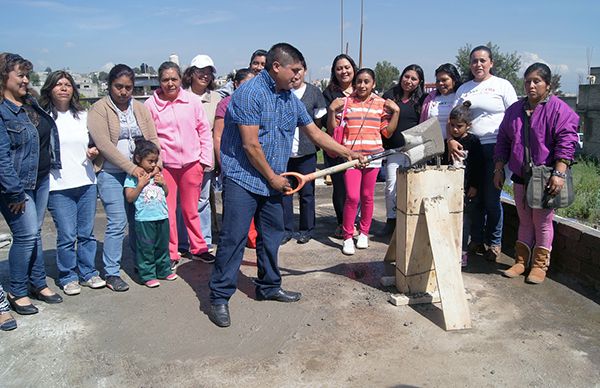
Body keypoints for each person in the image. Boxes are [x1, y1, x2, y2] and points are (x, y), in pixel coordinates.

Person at [208, 43, 366, 328]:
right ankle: (219, 297)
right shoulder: (249, 93)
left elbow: (314, 133)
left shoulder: (289, 98)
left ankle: (268, 286)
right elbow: (251, 145)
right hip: (244, 178)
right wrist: (272, 178)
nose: (298, 75)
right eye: (294, 69)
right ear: (276, 66)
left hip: (273, 179)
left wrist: (348, 153)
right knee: (234, 238)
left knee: (272, 234)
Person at [494, 63, 578, 283]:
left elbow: (567, 142)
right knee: (524, 219)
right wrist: (499, 167)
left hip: (546, 175)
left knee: (542, 221)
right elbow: (503, 139)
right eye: (527, 81)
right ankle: (521, 261)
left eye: (536, 81)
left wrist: (559, 173)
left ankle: (540, 265)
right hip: (521, 174)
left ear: (547, 85)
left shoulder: (558, 109)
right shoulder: (515, 110)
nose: (531, 85)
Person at [88, 64, 161, 292]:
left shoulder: (139, 108)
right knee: (118, 222)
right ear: (109, 85)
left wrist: (156, 165)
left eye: (128, 87)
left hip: (139, 172)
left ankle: (143, 265)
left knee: (139, 221)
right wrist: (131, 168)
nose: (124, 92)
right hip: (112, 173)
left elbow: (152, 137)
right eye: (119, 86)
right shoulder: (98, 109)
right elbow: (104, 145)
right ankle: (111, 272)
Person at [0, 53, 63, 315]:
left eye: (27, 75)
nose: (26, 80)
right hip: (17, 186)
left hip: (40, 178)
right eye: (20, 75)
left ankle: (37, 282)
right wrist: (14, 192)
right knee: (25, 236)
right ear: (4, 77)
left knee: (35, 234)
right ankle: (17, 289)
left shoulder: (30, 103)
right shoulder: (3, 111)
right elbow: (2, 157)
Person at [39, 70, 105, 295]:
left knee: (86, 233)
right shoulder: (43, 117)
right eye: (58, 84)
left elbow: (91, 143)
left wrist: (93, 151)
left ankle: (88, 272)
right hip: (58, 185)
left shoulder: (83, 116)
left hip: (86, 181)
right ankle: (68, 276)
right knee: (67, 234)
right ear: (50, 89)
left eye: (67, 84)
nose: (64, 88)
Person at [144, 61, 215, 269]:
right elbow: (150, 137)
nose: (170, 83)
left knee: (192, 209)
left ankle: (199, 248)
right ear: (159, 81)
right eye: (165, 80)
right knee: (168, 211)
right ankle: (171, 252)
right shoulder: (151, 104)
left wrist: (204, 160)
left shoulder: (192, 101)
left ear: (180, 79)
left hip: (192, 164)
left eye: (174, 79)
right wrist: (156, 165)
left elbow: (203, 131)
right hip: (166, 166)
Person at [451, 45, 518, 262]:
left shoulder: (502, 85)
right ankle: (476, 240)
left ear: (491, 63)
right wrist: (451, 139)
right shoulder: (464, 89)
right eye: (474, 61)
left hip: (495, 148)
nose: (478, 65)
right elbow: (453, 118)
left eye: (482, 60)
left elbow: (515, 117)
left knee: (491, 198)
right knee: (474, 196)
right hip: (469, 149)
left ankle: (494, 242)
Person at [328, 68, 400, 255]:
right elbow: (333, 128)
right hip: (351, 157)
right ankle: (347, 236)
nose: (362, 85)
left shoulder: (381, 104)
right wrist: (331, 111)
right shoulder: (344, 102)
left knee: (367, 197)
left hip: (373, 156)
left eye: (366, 81)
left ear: (373, 84)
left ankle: (364, 233)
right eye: (359, 81)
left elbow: (387, 132)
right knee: (352, 197)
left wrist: (396, 112)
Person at [281, 60, 327, 245]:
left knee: (307, 193)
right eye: (293, 70)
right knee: (285, 192)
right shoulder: (283, 91)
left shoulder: (314, 92)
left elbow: (318, 123)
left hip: (306, 152)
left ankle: (307, 229)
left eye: (299, 70)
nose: (296, 74)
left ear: (305, 71)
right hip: (284, 152)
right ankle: (286, 229)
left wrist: (313, 142)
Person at [181, 54, 223, 254]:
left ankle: (204, 241)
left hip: (205, 159)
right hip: (182, 160)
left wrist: (217, 161)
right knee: (183, 203)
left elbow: (218, 132)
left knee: (202, 201)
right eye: (200, 72)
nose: (205, 76)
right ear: (191, 73)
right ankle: (184, 242)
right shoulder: (180, 96)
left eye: (209, 72)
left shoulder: (216, 99)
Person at [379, 64, 426, 237]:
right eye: (406, 77)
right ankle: (391, 220)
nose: (409, 81)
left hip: (415, 151)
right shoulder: (390, 96)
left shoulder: (422, 100)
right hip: (394, 150)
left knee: (412, 186)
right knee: (391, 186)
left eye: (414, 79)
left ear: (419, 81)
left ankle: (409, 221)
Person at [124, 139, 177, 288]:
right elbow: (129, 197)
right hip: (144, 219)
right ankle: (147, 275)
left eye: (155, 161)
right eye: (150, 161)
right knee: (146, 248)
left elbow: (166, 193)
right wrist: (140, 185)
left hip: (162, 216)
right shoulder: (133, 176)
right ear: (138, 159)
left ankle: (163, 270)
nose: (154, 164)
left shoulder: (157, 175)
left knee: (162, 246)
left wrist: (164, 184)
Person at [322, 54, 358, 238]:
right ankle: (342, 223)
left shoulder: (362, 89)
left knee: (357, 189)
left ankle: (356, 221)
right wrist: (332, 110)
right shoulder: (329, 94)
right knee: (340, 187)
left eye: (347, 67)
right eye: (339, 68)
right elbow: (327, 128)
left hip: (359, 147)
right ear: (334, 72)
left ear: (353, 68)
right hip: (337, 148)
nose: (343, 71)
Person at [445, 102, 484, 267]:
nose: (455, 129)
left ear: (468, 126)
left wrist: (474, 186)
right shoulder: (448, 142)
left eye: (459, 126)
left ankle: (462, 253)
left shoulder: (474, 142)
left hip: (467, 189)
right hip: (450, 188)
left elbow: (478, 166)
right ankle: (449, 251)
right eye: (452, 125)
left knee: (464, 222)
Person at [420, 63, 462, 135]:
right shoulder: (429, 99)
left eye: (444, 80)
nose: (440, 83)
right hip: (433, 143)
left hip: (455, 143)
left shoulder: (461, 96)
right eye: (438, 80)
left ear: (454, 80)